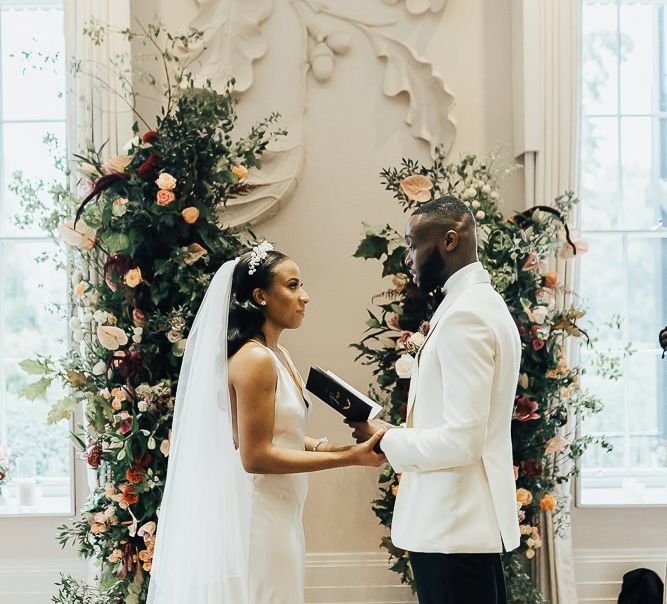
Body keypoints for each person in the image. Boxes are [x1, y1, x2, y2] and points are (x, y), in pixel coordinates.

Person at [147, 243, 386, 604]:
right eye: (292, 286)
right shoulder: (255, 359)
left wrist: (334, 446)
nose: (304, 296)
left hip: (282, 510)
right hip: (258, 515)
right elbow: (255, 455)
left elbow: (280, 435)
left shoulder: (278, 355)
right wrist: (349, 458)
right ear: (260, 296)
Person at [348, 196, 521, 604]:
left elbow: (463, 440)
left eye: (412, 244)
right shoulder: (478, 304)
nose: (408, 258)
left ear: (448, 240)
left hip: (453, 530)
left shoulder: (467, 315)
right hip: (460, 530)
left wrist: (385, 439)